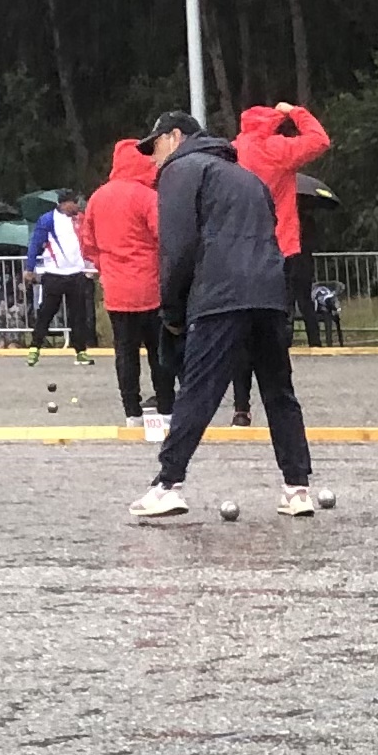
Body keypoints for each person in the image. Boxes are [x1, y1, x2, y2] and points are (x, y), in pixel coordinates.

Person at [129, 108, 319, 522]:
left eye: (155, 145)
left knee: (198, 391)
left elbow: (177, 248)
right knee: (279, 392)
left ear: (176, 137)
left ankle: (167, 484)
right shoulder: (248, 177)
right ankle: (297, 487)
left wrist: (173, 309)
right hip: (268, 293)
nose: (152, 156)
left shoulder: (181, 172)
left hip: (219, 294)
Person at [82, 135, 173, 434]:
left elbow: (88, 245)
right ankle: (165, 410)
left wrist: (106, 267)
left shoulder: (98, 197)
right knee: (159, 353)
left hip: (117, 292)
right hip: (150, 287)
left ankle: (131, 412)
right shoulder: (147, 197)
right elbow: (165, 238)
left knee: (125, 353)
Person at [236, 99, 333, 351]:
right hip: (280, 242)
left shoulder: (233, 150)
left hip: (241, 244)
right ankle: (277, 358)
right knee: (281, 308)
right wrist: (294, 112)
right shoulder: (277, 149)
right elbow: (320, 140)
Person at [24, 190, 97, 365]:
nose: (77, 206)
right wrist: (29, 268)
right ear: (64, 204)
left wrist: (93, 265)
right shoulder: (48, 219)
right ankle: (35, 347)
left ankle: (80, 351)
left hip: (77, 274)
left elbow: (89, 241)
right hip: (54, 274)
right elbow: (35, 243)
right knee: (46, 313)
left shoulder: (80, 218)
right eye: (74, 202)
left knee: (78, 315)